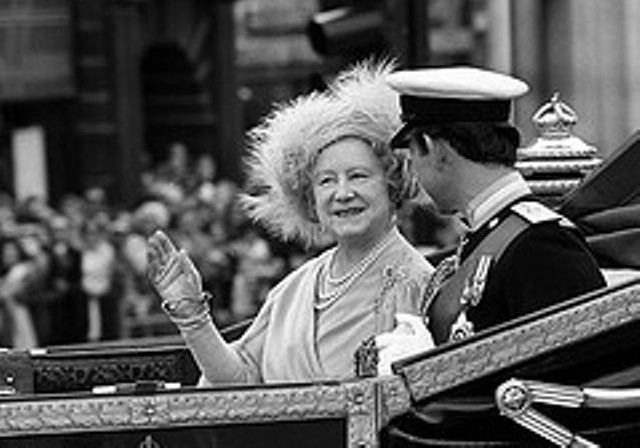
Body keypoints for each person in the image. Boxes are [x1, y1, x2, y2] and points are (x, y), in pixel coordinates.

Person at [146, 61, 435, 385]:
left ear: (393, 184)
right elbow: (240, 382)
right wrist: (192, 316)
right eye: (326, 181)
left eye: (358, 176)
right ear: (310, 198)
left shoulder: (416, 285)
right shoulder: (294, 288)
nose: (343, 193)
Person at [384, 66, 606, 346]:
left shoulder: (541, 245)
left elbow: (577, 363)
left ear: (435, 149)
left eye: (413, 153)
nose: (414, 169)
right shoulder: (490, 234)